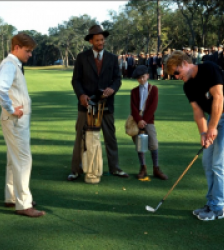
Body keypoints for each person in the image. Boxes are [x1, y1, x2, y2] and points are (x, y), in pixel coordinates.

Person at [165, 50, 224, 221]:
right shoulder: (187, 85)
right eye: (173, 75)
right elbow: (198, 112)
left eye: (176, 72)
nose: (176, 77)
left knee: (219, 163)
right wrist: (204, 133)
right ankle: (211, 203)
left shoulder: (209, 69)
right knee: (207, 162)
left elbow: (218, 98)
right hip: (214, 116)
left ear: (184, 63)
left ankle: (218, 208)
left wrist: (212, 128)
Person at [0, 33, 45, 217]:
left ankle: (13, 197)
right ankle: (23, 203)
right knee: (23, 160)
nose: (30, 55)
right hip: (15, 119)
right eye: (28, 51)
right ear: (16, 48)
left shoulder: (14, 64)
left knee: (13, 158)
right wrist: (11, 108)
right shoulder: (9, 64)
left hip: (15, 119)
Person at [68, 25, 129, 181]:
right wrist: (81, 95)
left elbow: (117, 79)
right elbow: (76, 80)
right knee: (80, 137)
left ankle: (115, 168)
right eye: (97, 40)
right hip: (86, 104)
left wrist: (112, 89)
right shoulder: (82, 57)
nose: (101, 42)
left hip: (106, 104)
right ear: (91, 41)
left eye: (102, 39)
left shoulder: (112, 58)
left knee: (110, 137)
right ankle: (76, 170)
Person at [130, 65, 168, 180]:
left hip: (148, 121)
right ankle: (143, 168)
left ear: (147, 76)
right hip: (137, 121)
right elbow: (133, 108)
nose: (141, 80)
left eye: (143, 77)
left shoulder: (154, 89)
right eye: (139, 78)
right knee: (140, 144)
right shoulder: (134, 91)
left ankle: (156, 168)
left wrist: (144, 121)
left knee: (153, 143)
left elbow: (153, 107)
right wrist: (139, 120)